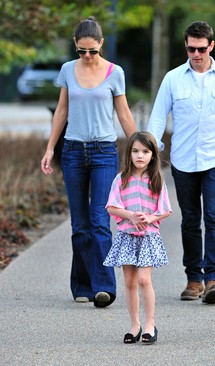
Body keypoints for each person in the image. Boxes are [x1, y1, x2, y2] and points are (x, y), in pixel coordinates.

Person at [147, 21, 215, 304]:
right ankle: (193, 279)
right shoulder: (173, 78)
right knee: (191, 221)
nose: (196, 54)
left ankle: (213, 279)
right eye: (191, 48)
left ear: (211, 46)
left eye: (201, 49)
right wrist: (149, 153)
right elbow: (157, 119)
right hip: (183, 161)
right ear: (186, 46)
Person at [41, 16, 136, 307]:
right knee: (80, 224)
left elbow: (123, 114)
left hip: (104, 153)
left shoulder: (114, 72)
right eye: (82, 51)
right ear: (75, 45)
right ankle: (82, 285)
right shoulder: (68, 70)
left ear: (101, 44)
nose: (87, 56)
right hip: (73, 152)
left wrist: (141, 149)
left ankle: (104, 287)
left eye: (92, 51)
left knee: (99, 221)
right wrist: (49, 149)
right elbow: (61, 111)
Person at [103, 131, 172, 344]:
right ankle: (135, 325)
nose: (139, 156)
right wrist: (131, 216)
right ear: (129, 153)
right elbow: (111, 206)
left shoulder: (156, 180)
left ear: (153, 155)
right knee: (130, 281)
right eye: (135, 151)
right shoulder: (121, 179)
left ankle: (150, 324)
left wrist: (150, 218)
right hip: (126, 235)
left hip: (148, 236)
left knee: (144, 279)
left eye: (145, 151)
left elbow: (165, 210)